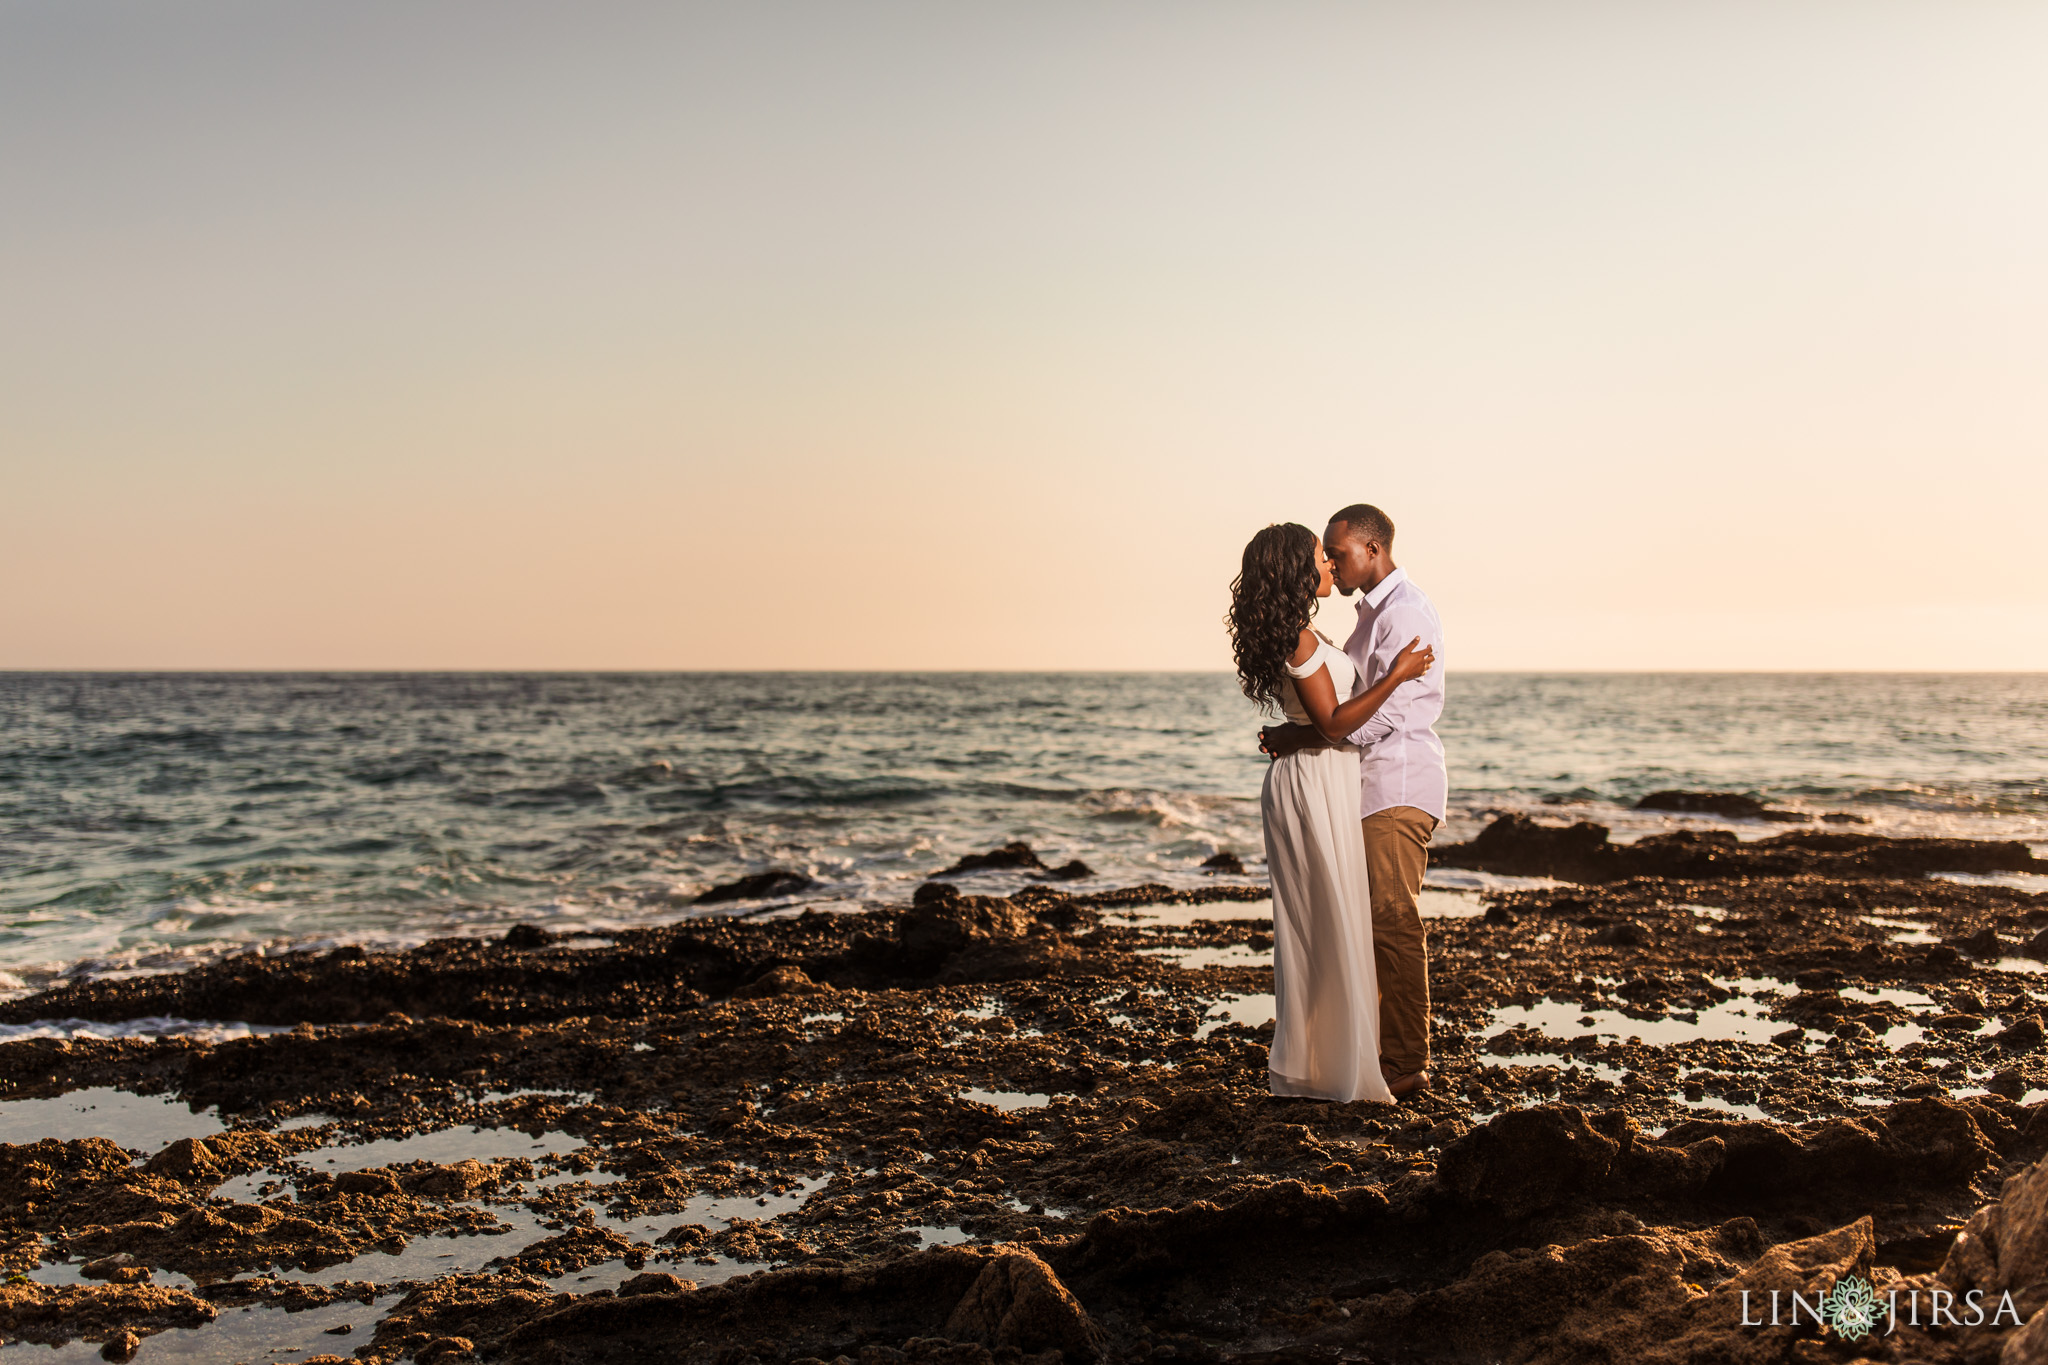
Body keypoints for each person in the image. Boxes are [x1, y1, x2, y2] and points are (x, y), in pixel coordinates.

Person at [1226, 523, 1435, 1103]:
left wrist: (1296, 735)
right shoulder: (1298, 634)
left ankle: (1342, 1058)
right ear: (1296, 569)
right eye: (1321, 556)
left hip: (1331, 779)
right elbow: (1336, 722)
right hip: (1316, 785)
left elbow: (1322, 720)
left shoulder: (1321, 627)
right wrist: (1395, 675)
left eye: (1331, 553)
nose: (1328, 564)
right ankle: (1330, 1065)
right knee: (1327, 924)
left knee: (1338, 922)